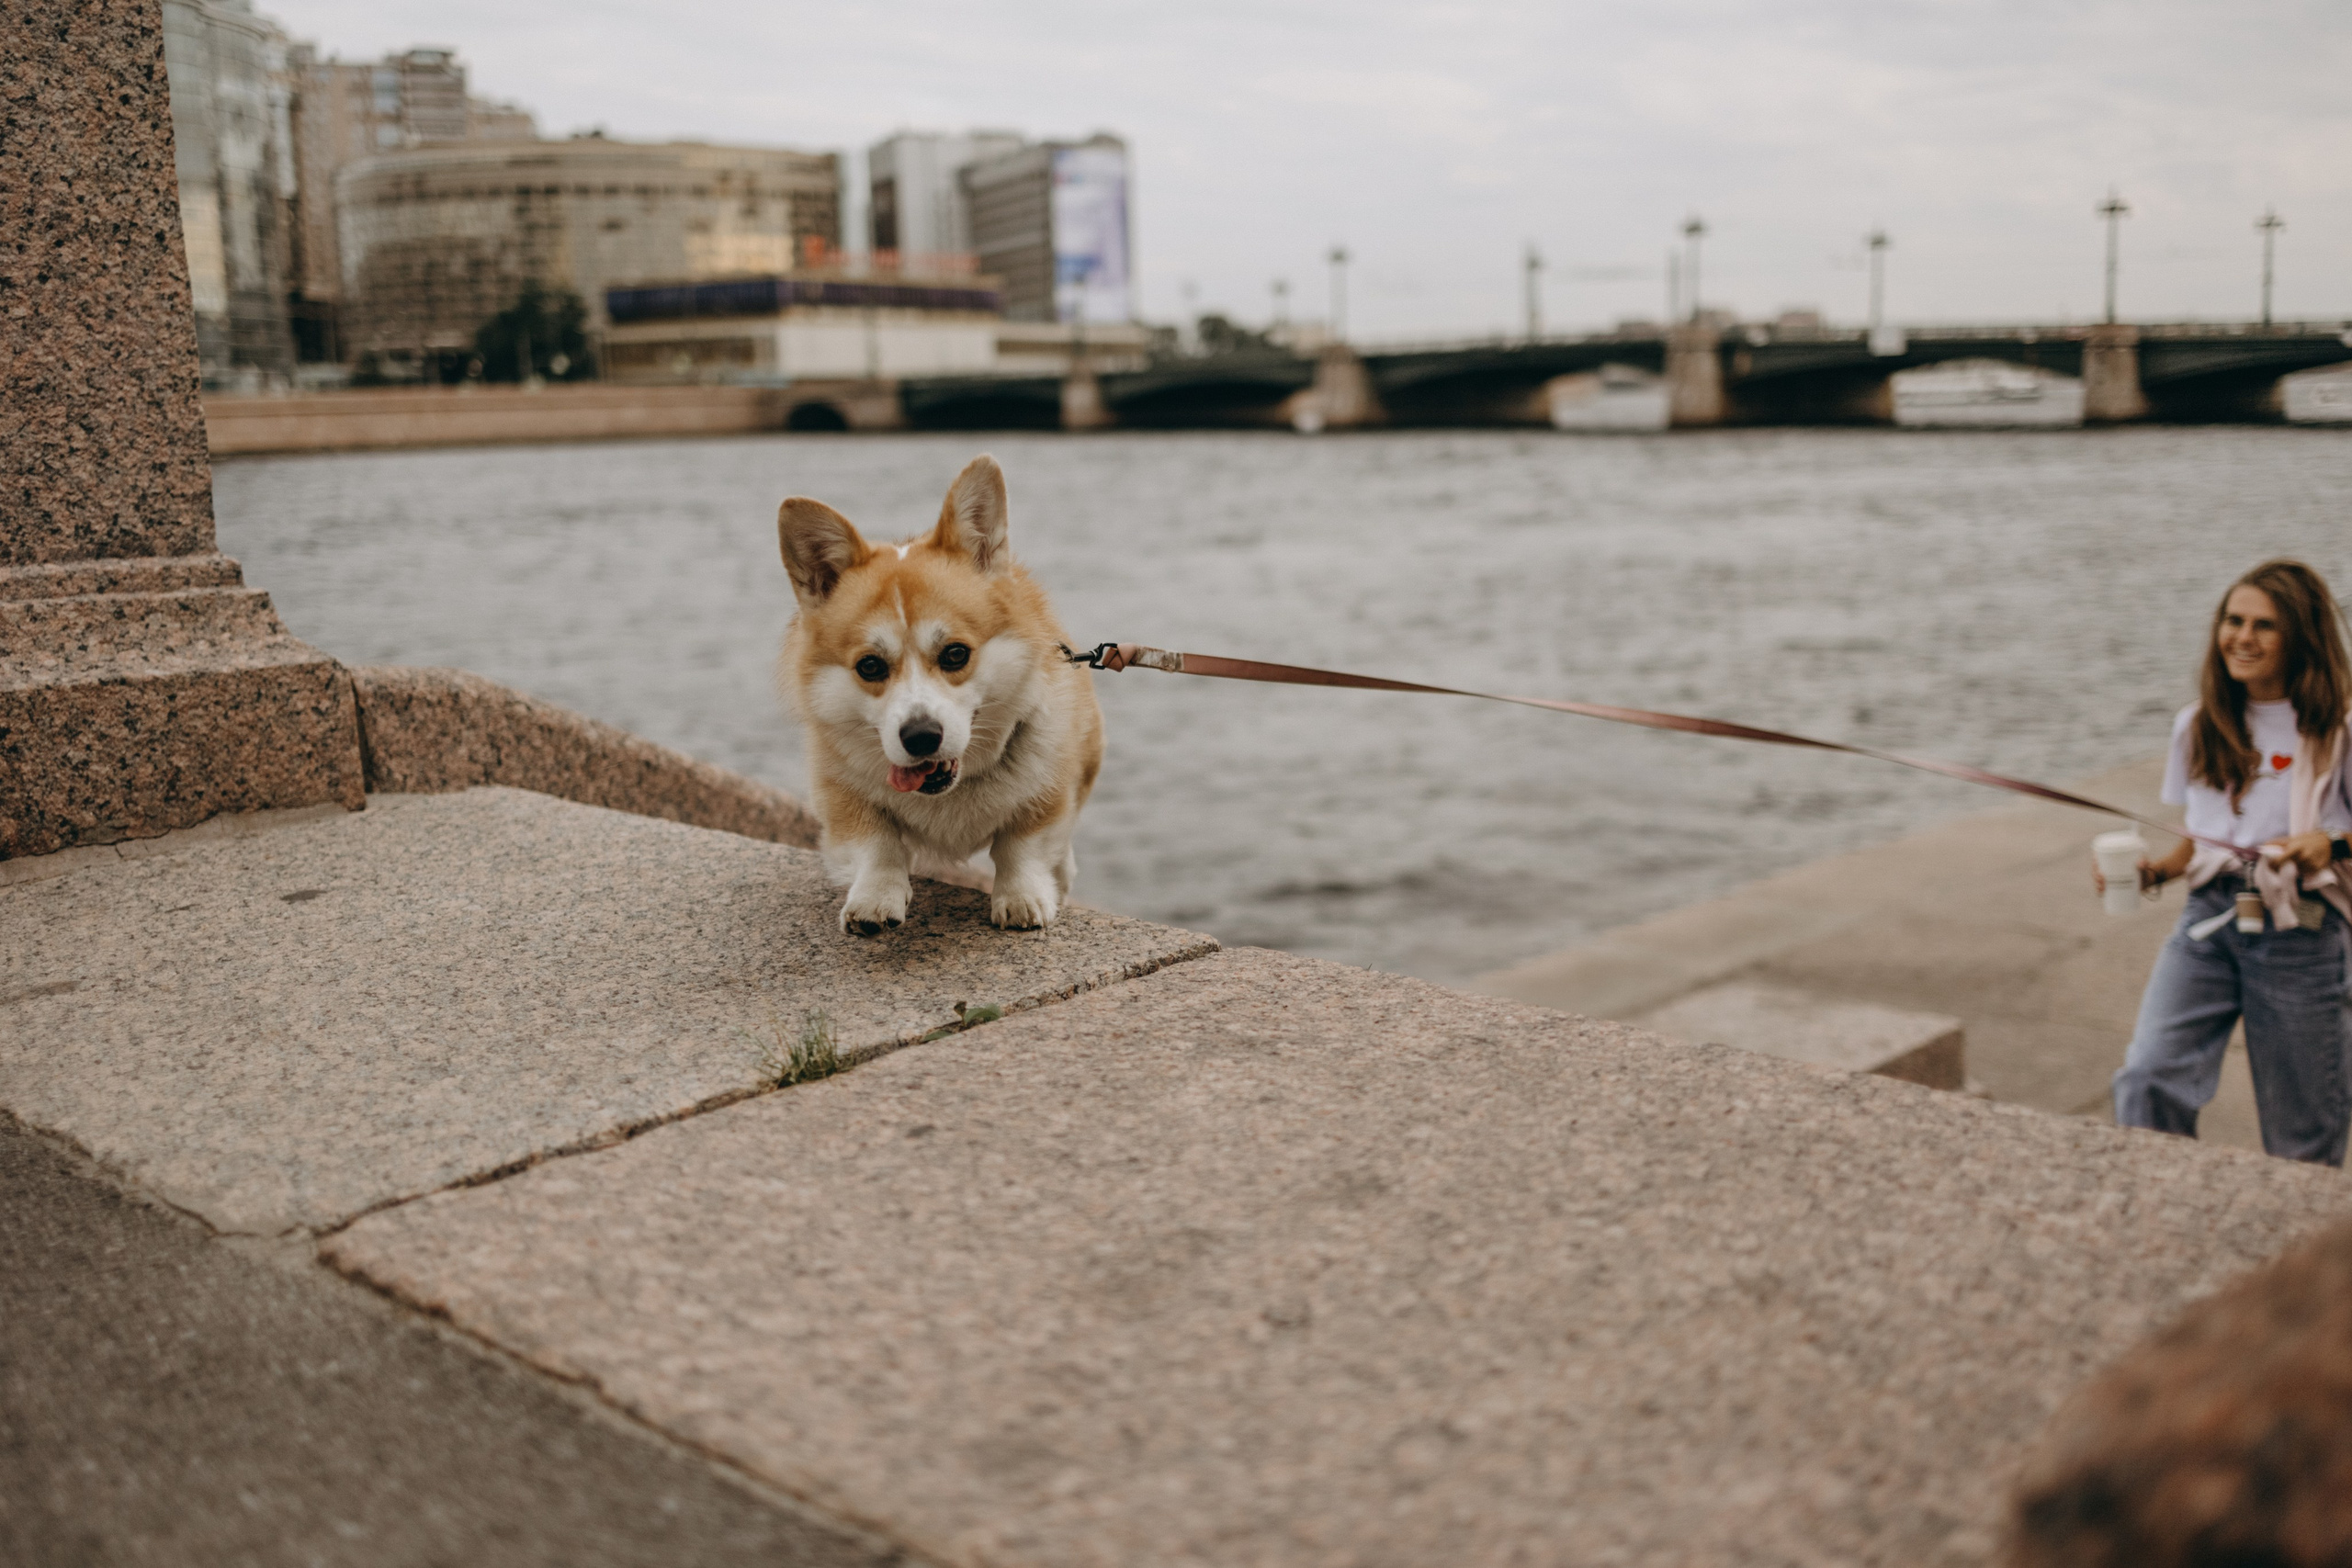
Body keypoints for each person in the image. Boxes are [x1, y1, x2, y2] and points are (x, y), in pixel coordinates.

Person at [2103, 558, 2352, 1165]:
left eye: (2264, 625)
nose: (2242, 637)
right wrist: (2156, 870)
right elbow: (2204, 828)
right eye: (2233, 620)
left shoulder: (2339, 727)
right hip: (2208, 922)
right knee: (2147, 1077)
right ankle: (2163, 1204)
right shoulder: (2198, 723)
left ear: (2301, 634)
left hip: (2302, 930)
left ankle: (2306, 1255)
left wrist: (2330, 842)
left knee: (2302, 1132)